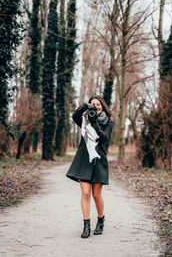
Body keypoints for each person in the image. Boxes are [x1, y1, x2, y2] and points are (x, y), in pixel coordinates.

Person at [66, 95, 115, 238]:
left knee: (96, 194)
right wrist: (84, 106)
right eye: (93, 104)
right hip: (84, 160)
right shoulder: (84, 120)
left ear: (103, 106)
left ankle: (100, 221)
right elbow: (75, 116)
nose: (96, 106)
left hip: (99, 160)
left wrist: (95, 124)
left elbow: (104, 139)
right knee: (86, 193)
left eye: (98, 104)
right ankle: (86, 225)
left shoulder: (109, 123)